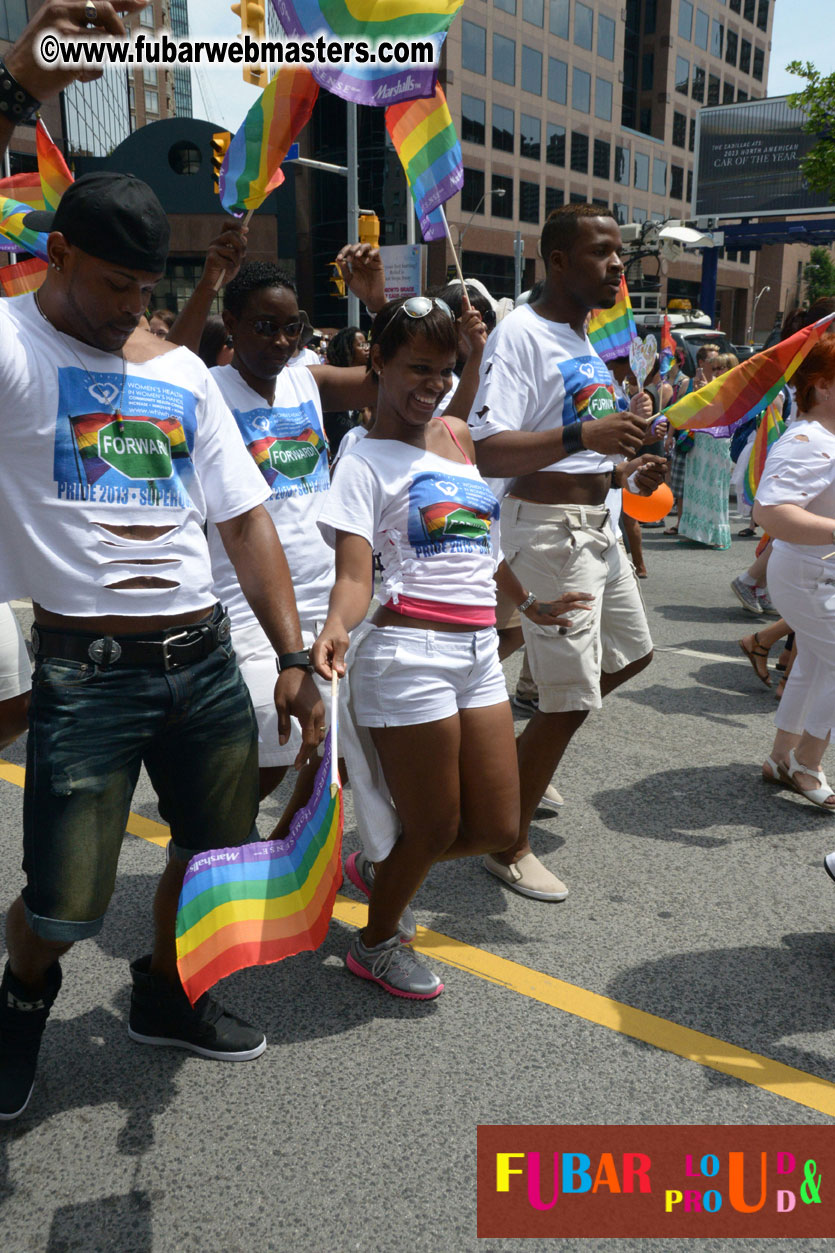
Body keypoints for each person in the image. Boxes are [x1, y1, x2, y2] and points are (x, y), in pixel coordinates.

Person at [0, 0, 323, 1122]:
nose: (132, 308)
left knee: (211, 847)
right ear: (60, 251)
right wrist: (21, 84)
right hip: (86, 672)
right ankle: (21, 1001)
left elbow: (243, 522)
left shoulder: (179, 373)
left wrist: (292, 655)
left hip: (203, 664)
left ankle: (163, 990)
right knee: (61, 899)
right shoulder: (11, 342)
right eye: (112, 285)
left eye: (148, 288)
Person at [312, 296, 590, 996]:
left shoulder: (460, 439)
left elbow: (479, 547)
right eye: (416, 368)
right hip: (405, 656)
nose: (431, 384)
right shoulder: (362, 459)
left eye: (444, 370)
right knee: (434, 826)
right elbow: (352, 574)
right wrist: (334, 624)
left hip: (476, 655)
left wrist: (528, 604)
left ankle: (384, 863)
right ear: (376, 362)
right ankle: (376, 941)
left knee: (497, 825)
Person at [469, 204, 663, 901]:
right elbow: (489, 448)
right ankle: (505, 842)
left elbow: (587, 446)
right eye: (601, 252)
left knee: (632, 654)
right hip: (548, 534)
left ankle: (516, 771)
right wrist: (588, 437)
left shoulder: (585, 340)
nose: (617, 265)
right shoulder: (520, 333)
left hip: (594, 524)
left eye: (620, 253)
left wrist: (626, 469)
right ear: (556, 261)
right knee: (567, 697)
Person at [753, 336, 835, 810]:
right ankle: (807, 763)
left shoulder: (823, 437)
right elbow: (771, 511)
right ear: (822, 386)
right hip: (808, 574)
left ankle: (783, 757)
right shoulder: (808, 440)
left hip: (815, 571)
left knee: (814, 663)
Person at [678, 350, 737, 550]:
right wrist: (698, 393)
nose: (718, 371)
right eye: (716, 368)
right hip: (700, 439)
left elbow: (725, 414)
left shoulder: (734, 389)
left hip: (718, 441)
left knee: (714, 485)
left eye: (722, 367)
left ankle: (717, 535)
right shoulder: (710, 386)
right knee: (695, 483)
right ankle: (695, 532)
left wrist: (706, 395)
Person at [322, 326, 370, 456]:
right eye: (361, 345)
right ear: (347, 349)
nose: (367, 349)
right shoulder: (332, 380)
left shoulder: (369, 382)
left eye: (367, 344)